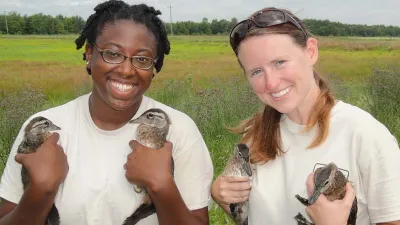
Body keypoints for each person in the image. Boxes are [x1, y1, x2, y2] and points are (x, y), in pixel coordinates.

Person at [0, 1, 213, 224]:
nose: (126, 70)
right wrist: (40, 190)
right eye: (112, 54)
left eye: (142, 59)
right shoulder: (42, 129)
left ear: (155, 67)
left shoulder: (179, 129)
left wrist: (161, 185)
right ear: (89, 53)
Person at [211, 6, 400, 225]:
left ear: (310, 51)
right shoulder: (255, 136)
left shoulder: (365, 135)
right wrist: (224, 198)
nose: (271, 83)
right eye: (256, 71)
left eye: (280, 62)